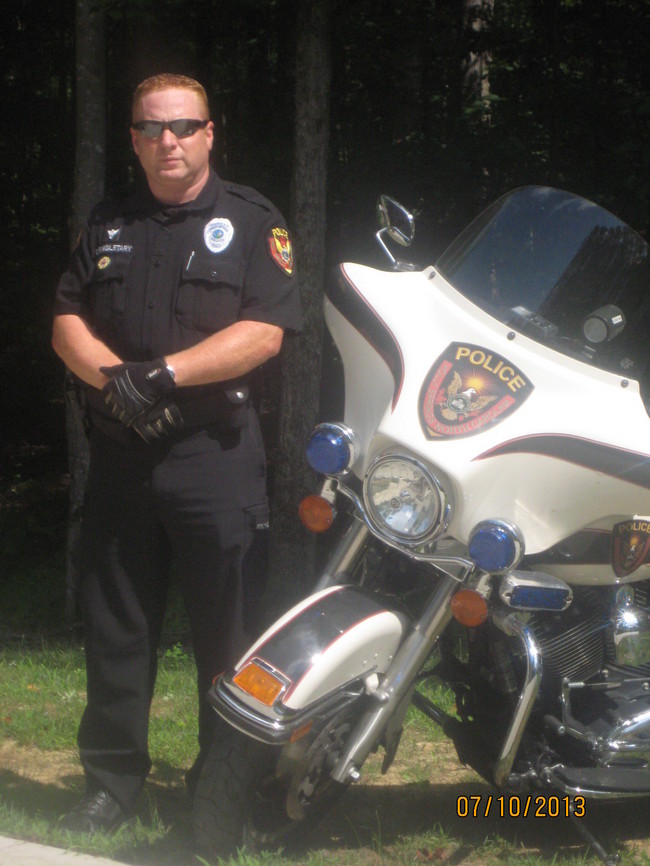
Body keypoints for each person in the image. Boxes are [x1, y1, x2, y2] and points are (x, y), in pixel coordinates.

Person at [52, 73, 302, 833]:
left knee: (229, 637)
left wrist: (163, 375)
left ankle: (220, 792)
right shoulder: (110, 220)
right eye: (152, 128)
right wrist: (116, 383)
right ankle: (110, 786)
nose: (169, 141)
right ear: (133, 140)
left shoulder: (252, 220)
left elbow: (265, 331)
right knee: (117, 629)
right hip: (123, 458)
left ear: (209, 133)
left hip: (213, 460)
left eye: (184, 126)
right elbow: (66, 317)